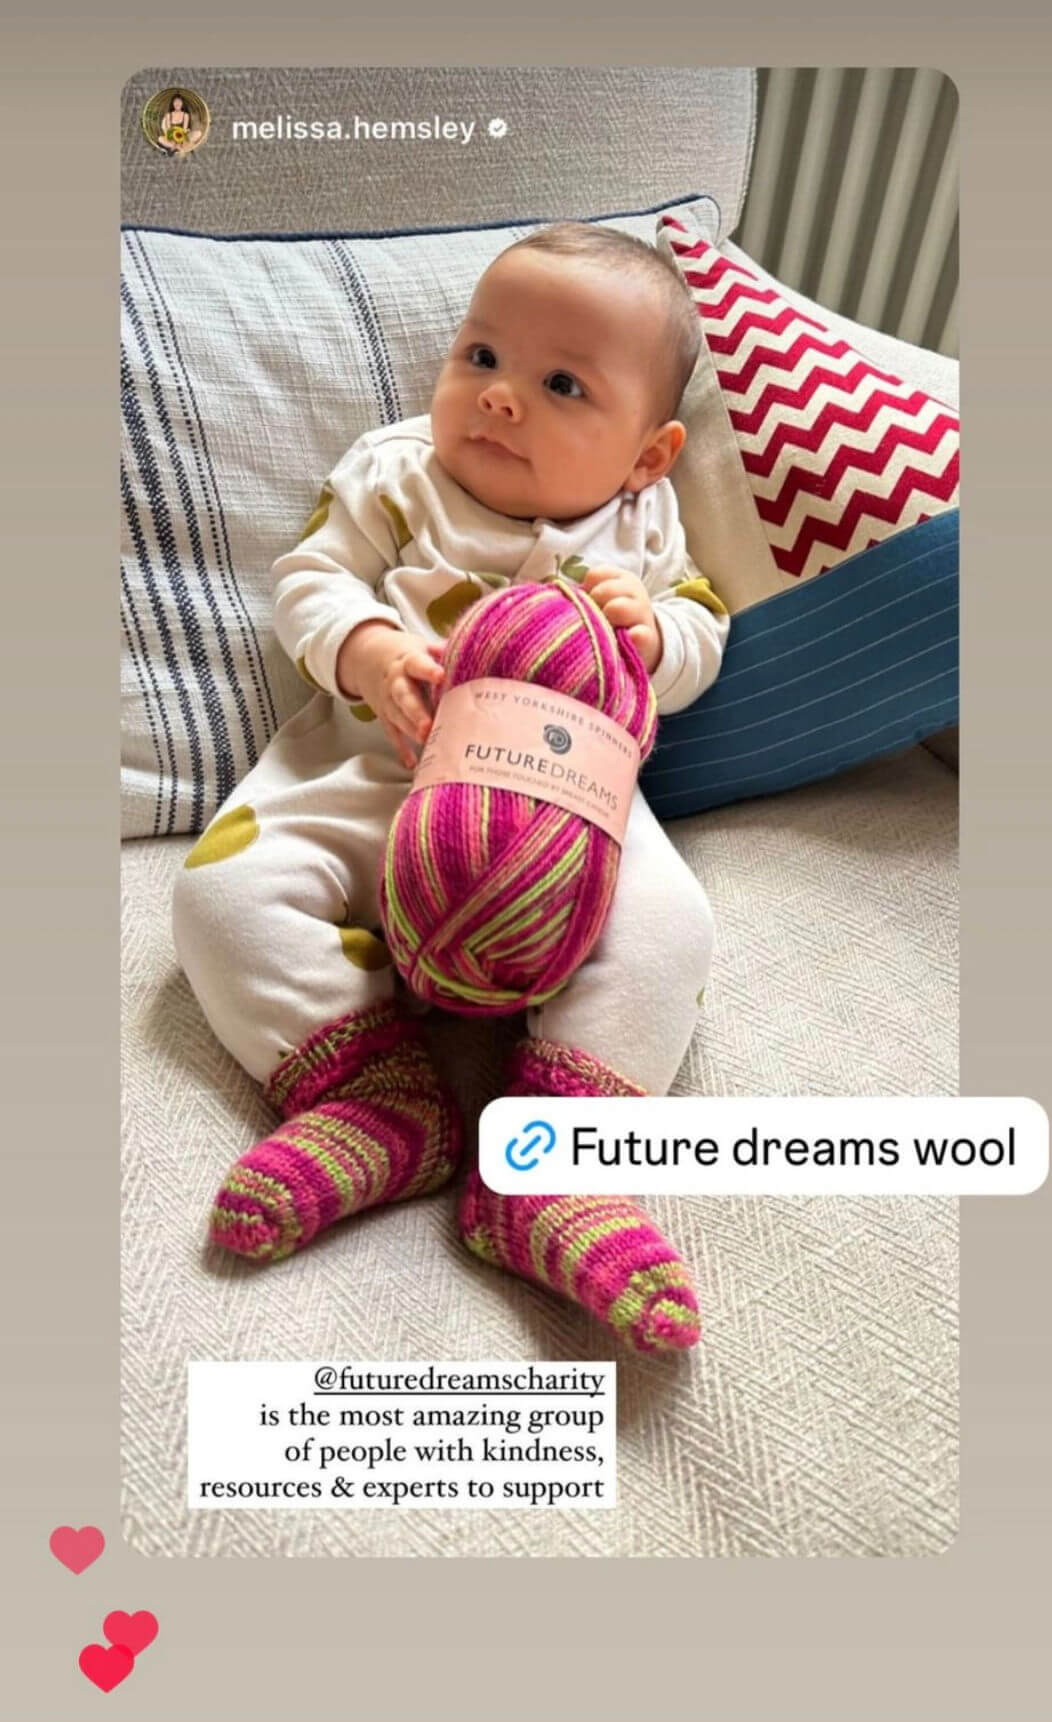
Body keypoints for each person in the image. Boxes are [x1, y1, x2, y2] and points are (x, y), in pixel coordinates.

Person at [172, 223, 730, 1354]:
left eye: (561, 383)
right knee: (217, 900)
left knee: (674, 926)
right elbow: (312, 579)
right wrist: (369, 650)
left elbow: (705, 629)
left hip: (560, 817)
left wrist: (657, 637)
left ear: (647, 455)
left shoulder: (644, 528)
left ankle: (551, 1164)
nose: (500, 398)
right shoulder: (396, 471)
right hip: (366, 779)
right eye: (480, 356)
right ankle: (377, 1096)